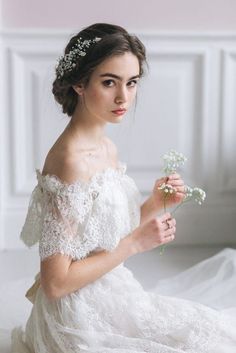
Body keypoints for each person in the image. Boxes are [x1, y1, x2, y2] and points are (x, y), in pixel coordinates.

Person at [11, 23, 236, 353]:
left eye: (131, 83)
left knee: (208, 331)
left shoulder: (105, 149)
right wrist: (134, 245)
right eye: (108, 82)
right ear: (79, 84)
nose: (123, 97)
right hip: (74, 317)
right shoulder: (69, 161)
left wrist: (157, 203)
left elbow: (101, 236)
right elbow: (56, 283)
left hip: (111, 288)